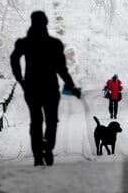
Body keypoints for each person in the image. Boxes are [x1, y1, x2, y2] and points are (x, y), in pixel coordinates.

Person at [10, 11, 81, 166]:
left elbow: (14, 59)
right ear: (46, 23)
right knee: (51, 120)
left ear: (32, 22)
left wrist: (20, 80)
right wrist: (72, 87)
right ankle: (47, 148)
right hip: (50, 88)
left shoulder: (24, 43)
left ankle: (37, 154)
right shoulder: (54, 44)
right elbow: (62, 70)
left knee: (35, 121)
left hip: (31, 88)